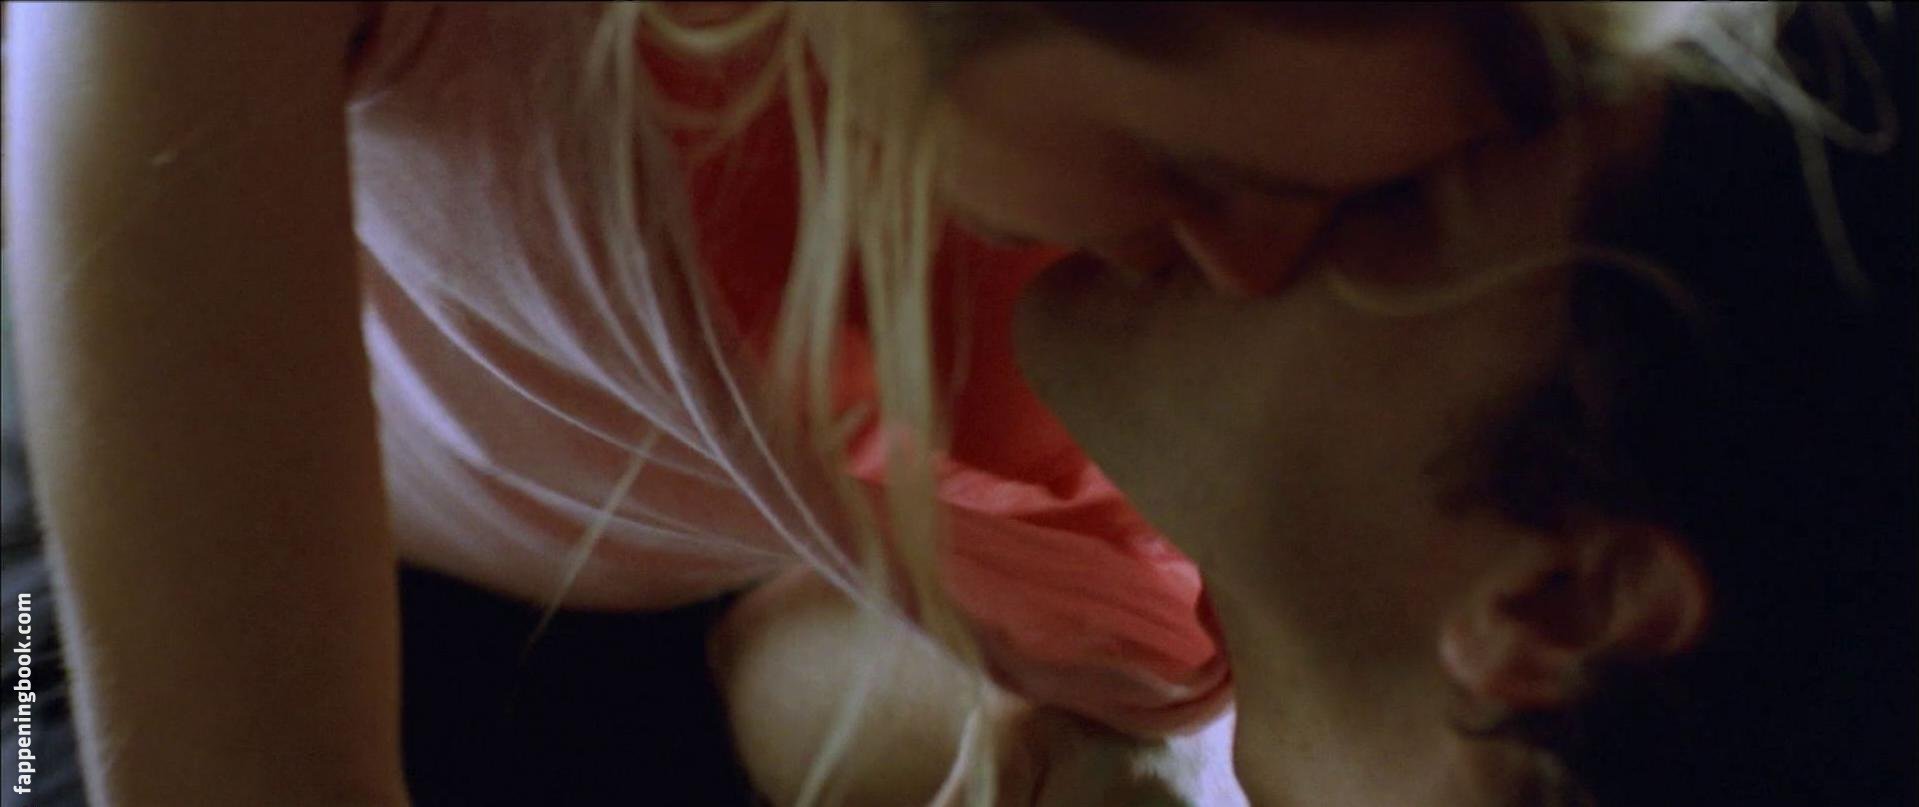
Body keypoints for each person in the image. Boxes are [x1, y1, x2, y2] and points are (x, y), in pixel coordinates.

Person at [4, 3, 1912, 807]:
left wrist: (1038, 761)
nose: (1261, 246)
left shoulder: (1171, 605)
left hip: (507, 584)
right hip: (110, 400)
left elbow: (771, 652)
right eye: (1405, 206)